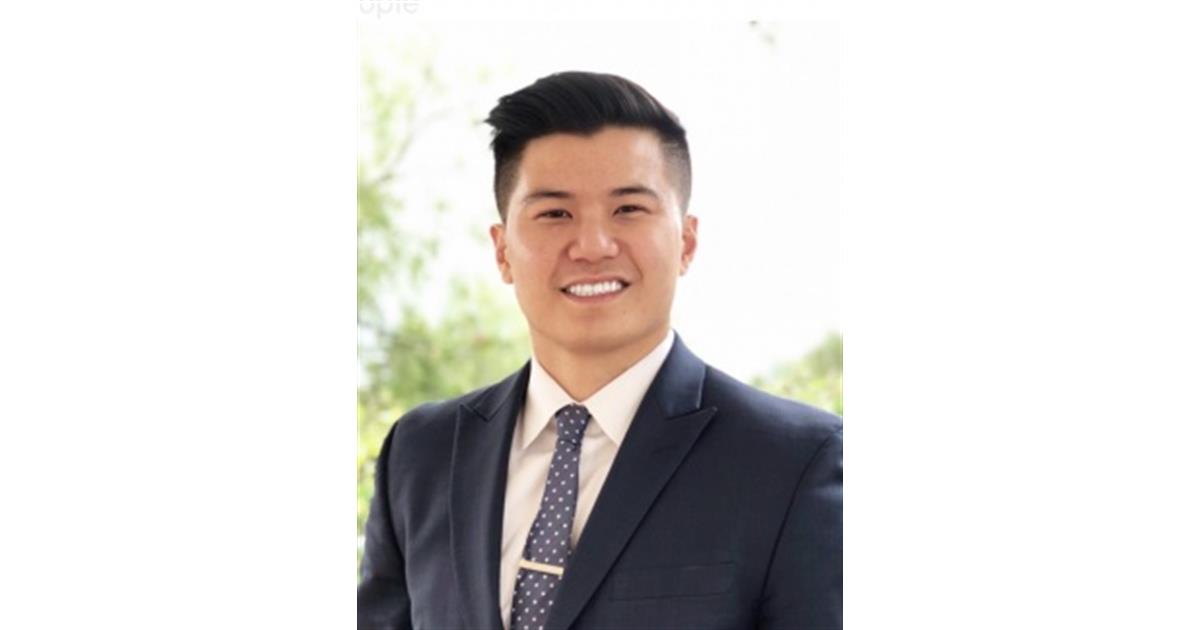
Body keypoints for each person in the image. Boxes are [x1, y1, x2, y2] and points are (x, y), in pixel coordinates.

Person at [358, 70, 842, 630]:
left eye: (628, 209)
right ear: (503, 250)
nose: (592, 246)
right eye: (554, 214)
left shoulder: (796, 462)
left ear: (686, 241)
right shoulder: (421, 454)